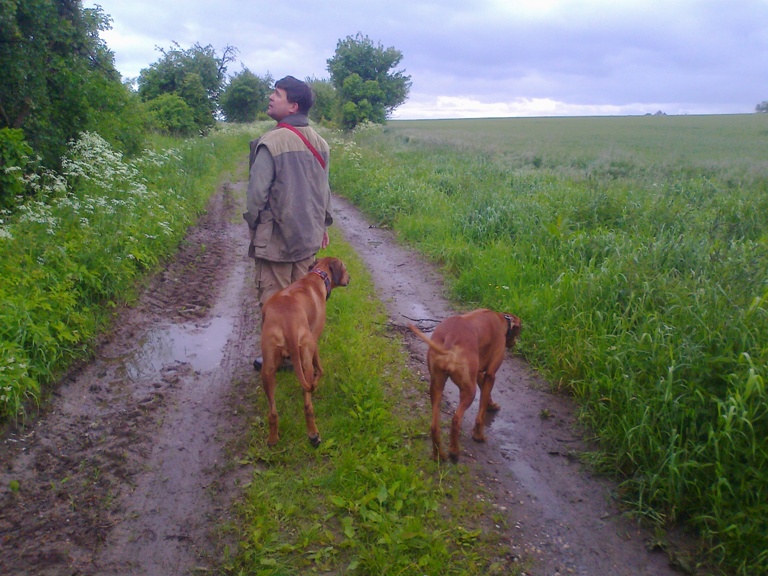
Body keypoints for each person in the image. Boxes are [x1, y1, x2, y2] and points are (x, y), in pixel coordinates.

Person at [243, 76, 333, 371]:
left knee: (275, 300)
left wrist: (254, 226)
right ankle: (301, 352)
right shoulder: (321, 143)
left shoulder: (271, 141)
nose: (271, 97)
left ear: (293, 106)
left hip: (277, 240)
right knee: (302, 301)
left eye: (277, 94)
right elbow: (324, 190)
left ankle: (281, 356)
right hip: (308, 237)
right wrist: (323, 226)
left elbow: (256, 195)